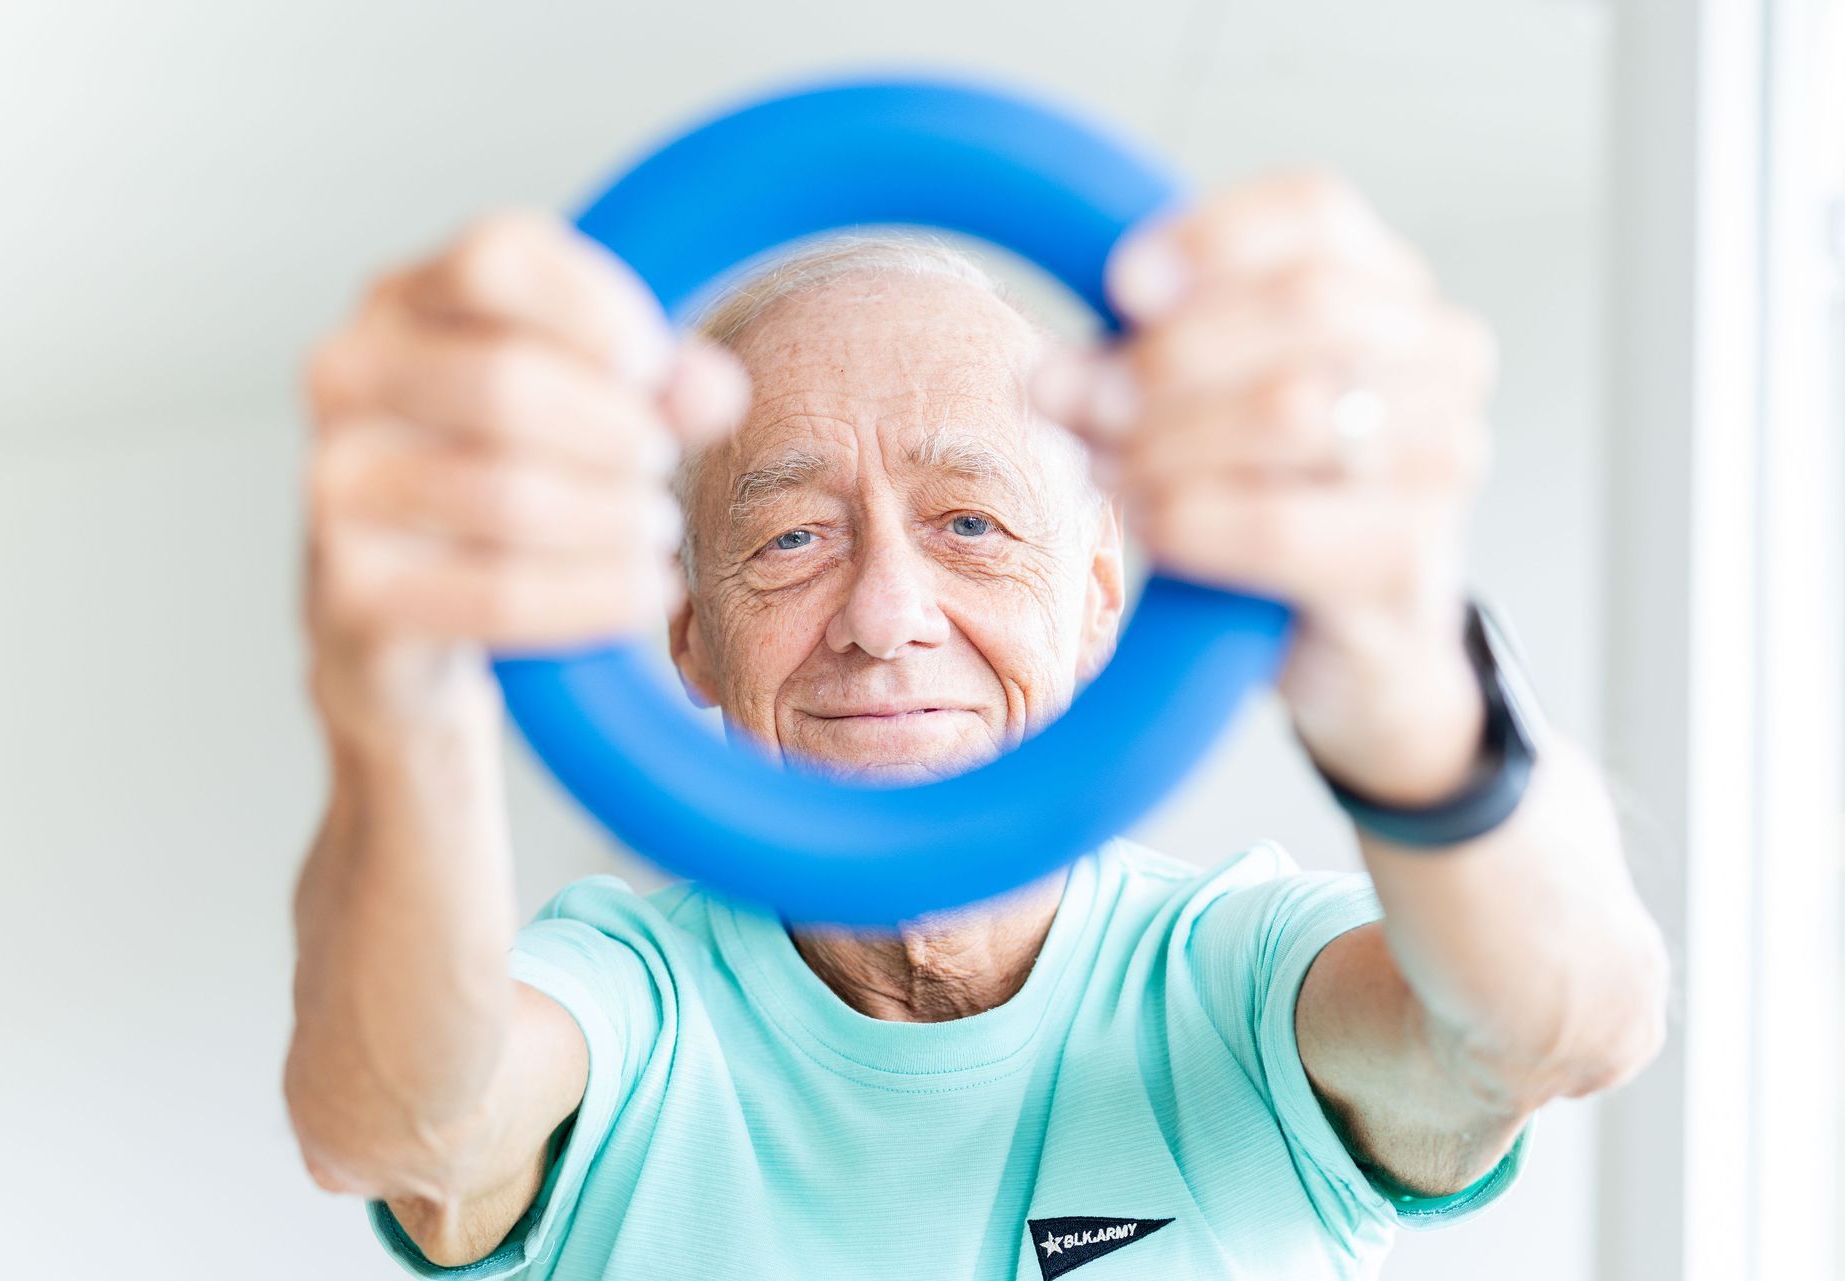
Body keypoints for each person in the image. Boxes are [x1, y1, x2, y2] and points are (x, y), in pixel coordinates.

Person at [283, 173, 1671, 1279]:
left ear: (1100, 598)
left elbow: (1558, 1024)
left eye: (970, 523)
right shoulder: (629, 1001)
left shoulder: (1236, 978)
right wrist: (398, 697)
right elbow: (397, 1123)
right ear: (688, 634)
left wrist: (1406, 659)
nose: (885, 612)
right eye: (791, 537)